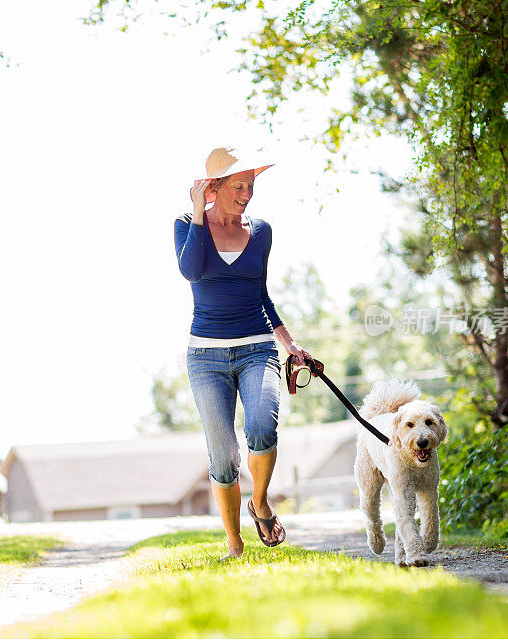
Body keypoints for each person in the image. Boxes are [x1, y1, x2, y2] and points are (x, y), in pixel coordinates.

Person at [173, 146, 311, 560]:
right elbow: (192, 270)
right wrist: (199, 211)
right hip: (206, 356)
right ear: (214, 188)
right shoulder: (185, 225)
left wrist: (289, 343)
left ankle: (261, 502)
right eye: (238, 185)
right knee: (223, 456)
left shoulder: (262, 230)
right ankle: (235, 544)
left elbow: (261, 294)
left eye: (251, 185)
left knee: (262, 427)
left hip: (257, 348)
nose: (247, 193)